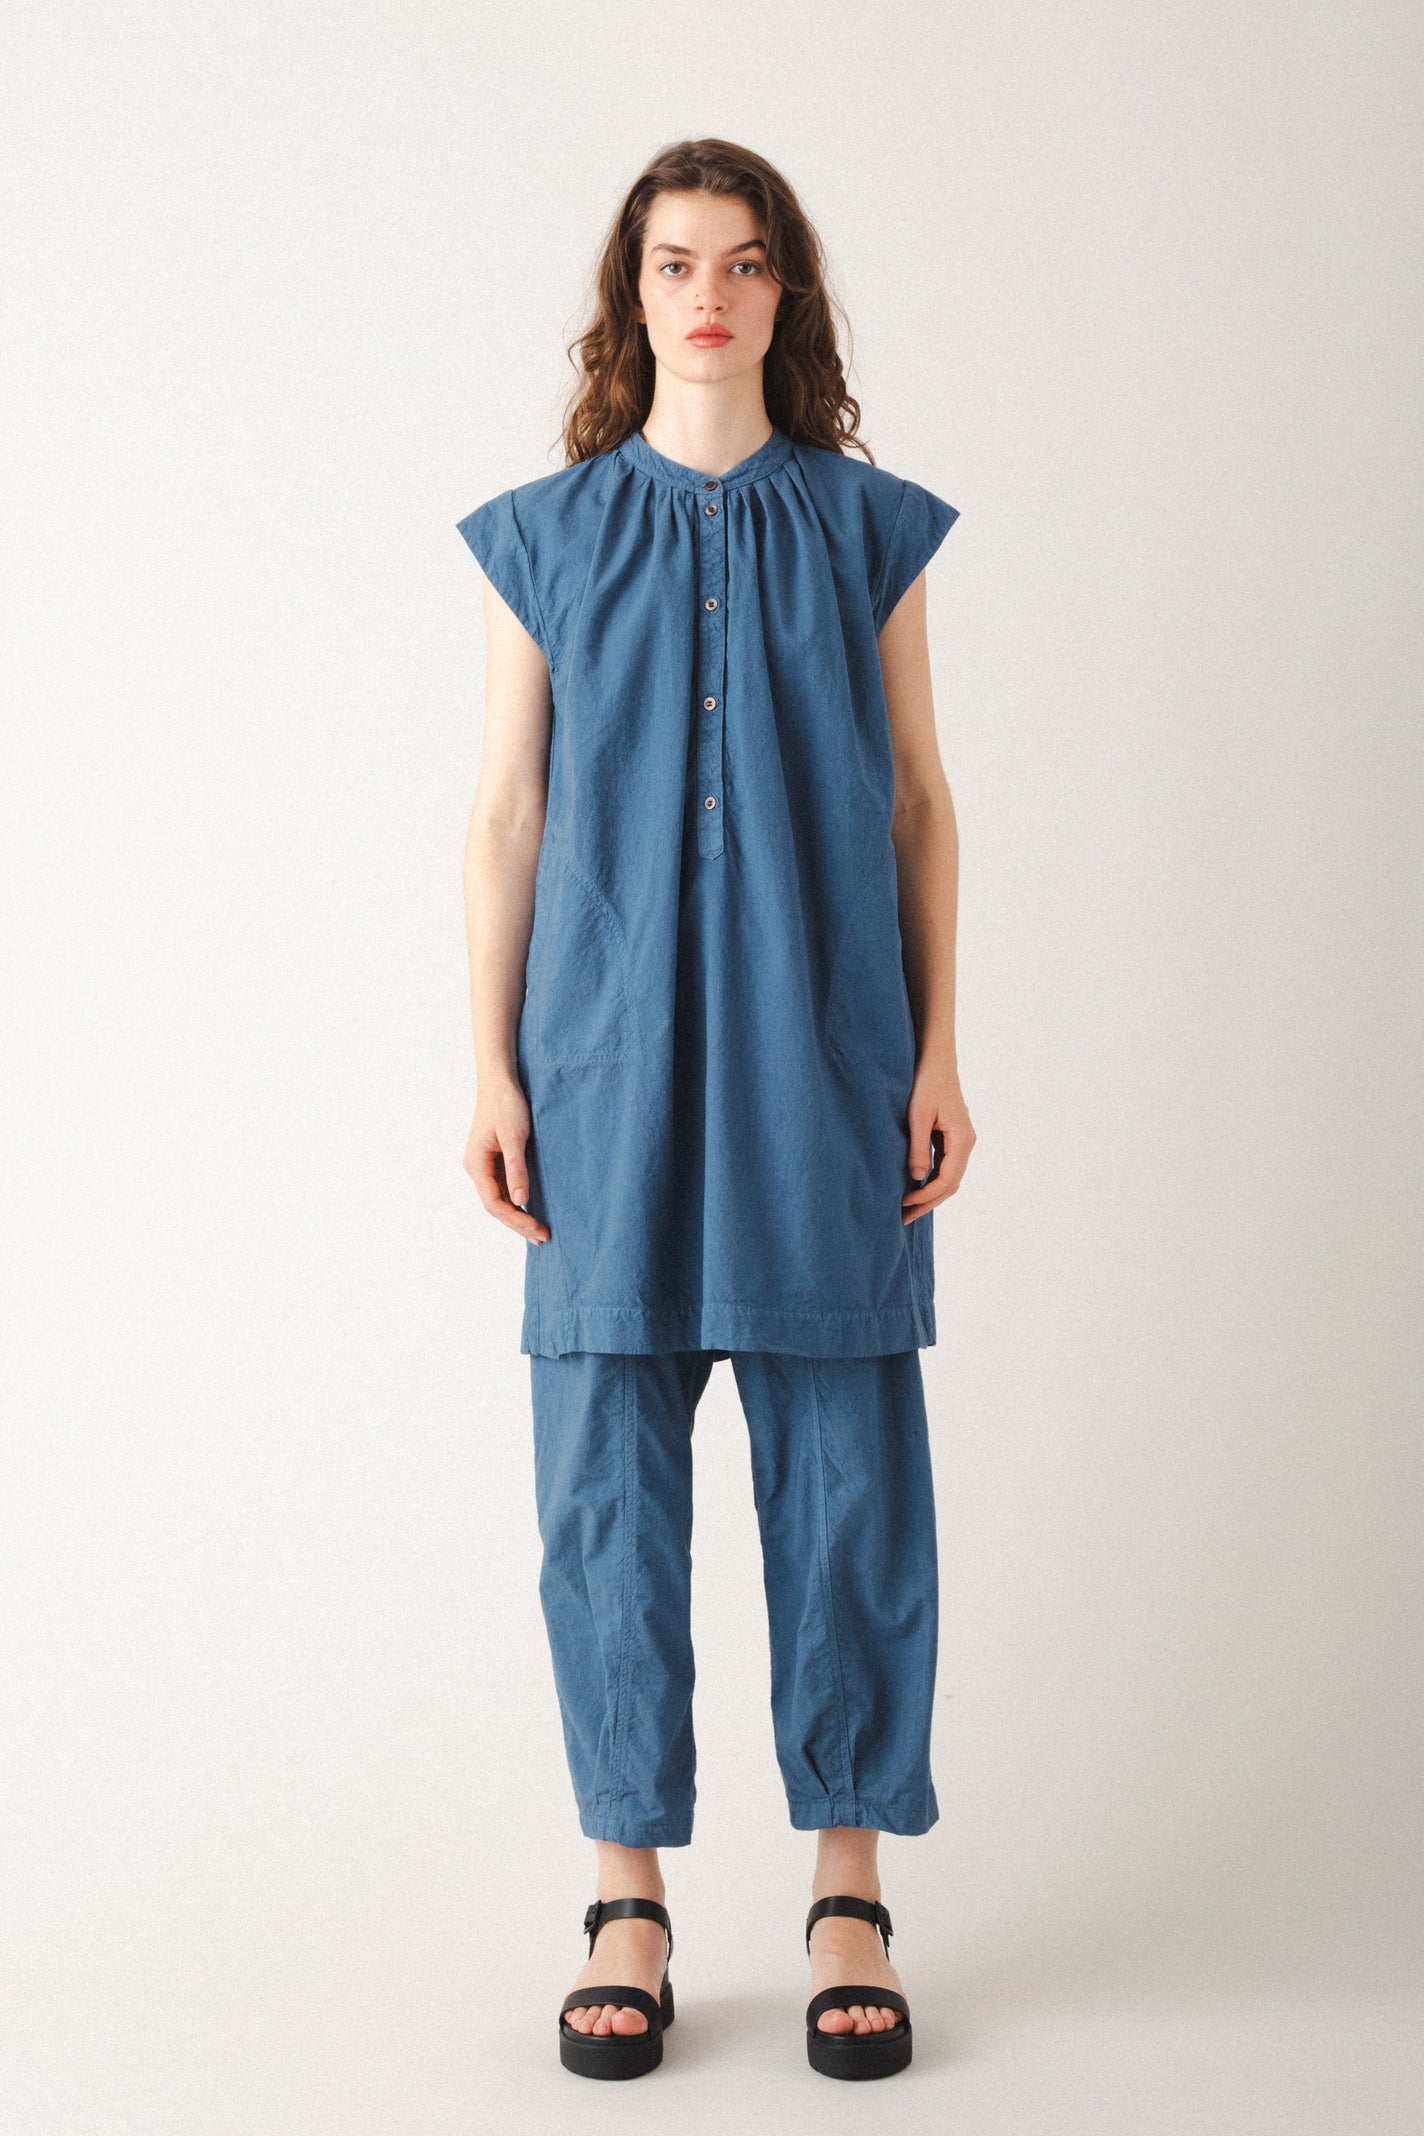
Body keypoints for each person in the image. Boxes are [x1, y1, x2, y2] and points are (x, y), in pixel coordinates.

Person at [456, 137, 975, 2081]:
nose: (709, 294)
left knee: (847, 1479)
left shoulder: (865, 530)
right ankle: (627, 1891)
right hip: (600, 1066)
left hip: (823, 1055)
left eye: (745, 263)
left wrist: (938, 1047)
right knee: (604, 1482)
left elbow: (917, 799)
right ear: (633, 291)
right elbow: (508, 812)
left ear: (784, 296)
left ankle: (848, 1890)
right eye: (676, 261)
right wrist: (490, 1063)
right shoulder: (542, 536)